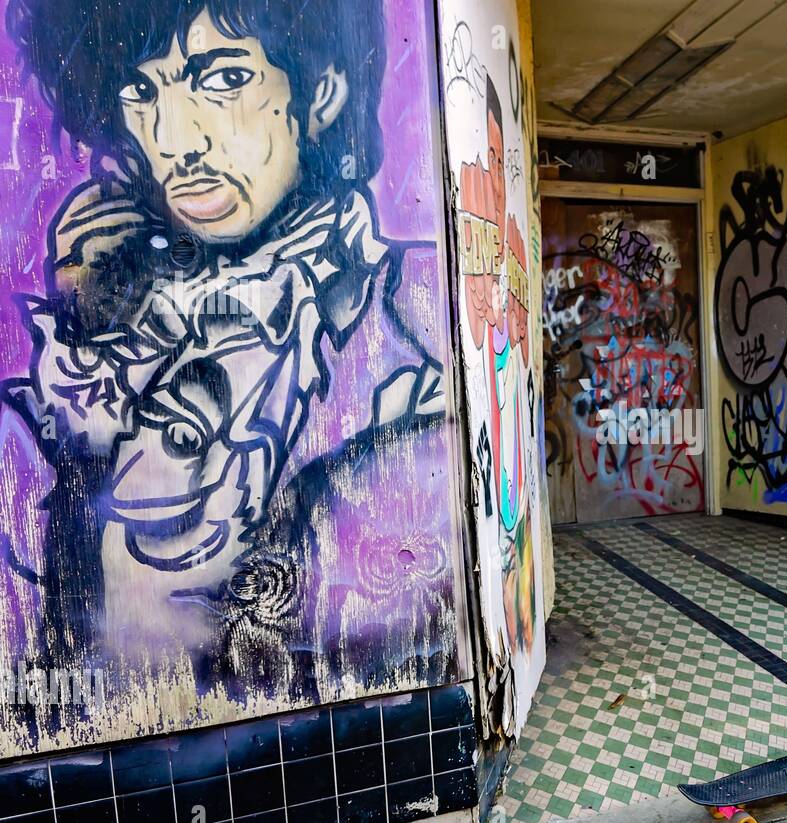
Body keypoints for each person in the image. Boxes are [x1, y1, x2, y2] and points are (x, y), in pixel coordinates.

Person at [1, 0, 452, 702]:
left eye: (222, 80)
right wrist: (86, 330)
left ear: (322, 95)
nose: (177, 138)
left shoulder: (413, 322)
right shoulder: (99, 325)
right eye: (143, 91)